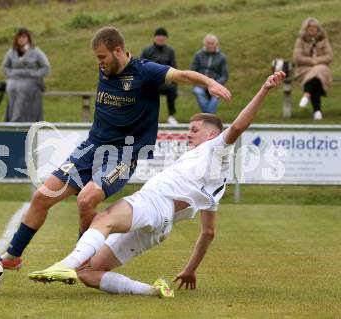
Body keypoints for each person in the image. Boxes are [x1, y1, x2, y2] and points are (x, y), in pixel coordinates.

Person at [28, 72, 286, 298]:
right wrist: (190, 269)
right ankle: (151, 290)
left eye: (194, 129)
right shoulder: (218, 181)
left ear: (212, 134)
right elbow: (208, 233)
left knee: (103, 219)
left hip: (154, 202)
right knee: (90, 273)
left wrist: (264, 89)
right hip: (162, 227)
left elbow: (239, 125)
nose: (189, 134)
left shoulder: (217, 148)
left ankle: (65, 263)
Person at [0, 26, 231, 270]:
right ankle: (13, 256)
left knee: (86, 199)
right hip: (92, 146)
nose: (99, 63)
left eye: (102, 57)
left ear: (118, 51)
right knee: (42, 197)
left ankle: (82, 260)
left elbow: (181, 75)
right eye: (96, 58)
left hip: (123, 154)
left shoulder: (145, 71)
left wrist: (209, 82)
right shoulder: (106, 69)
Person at [2, 28, 51, 122]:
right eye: (19, 37)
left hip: (31, 79)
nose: (22, 39)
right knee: (11, 87)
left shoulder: (36, 51)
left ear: (28, 39)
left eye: (24, 37)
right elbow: (4, 67)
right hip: (15, 79)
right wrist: (11, 74)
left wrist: (36, 74)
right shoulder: (11, 52)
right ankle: (12, 117)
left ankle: (18, 120)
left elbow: (46, 67)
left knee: (22, 89)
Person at [293, 17, 333, 120]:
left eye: (314, 27)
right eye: (310, 26)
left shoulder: (324, 40)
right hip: (304, 69)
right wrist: (312, 62)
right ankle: (317, 111)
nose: (312, 29)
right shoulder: (300, 40)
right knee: (315, 77)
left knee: (318, 72)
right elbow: (297, 58)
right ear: (306, 28)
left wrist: (317, 61)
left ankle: (307, 95)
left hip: (321, 69)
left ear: (318, 28)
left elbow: (329, 57)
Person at [141, 27, 179, 125]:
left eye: (163, 35)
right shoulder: (147, 50)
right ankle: (147, 117)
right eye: (158, 35)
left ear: (166, 38)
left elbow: (174, 67)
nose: (161, 38)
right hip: (150, 82)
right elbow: (141, 66)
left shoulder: (170, 51)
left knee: (172, 88)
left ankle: (171, 116)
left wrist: (173, 82)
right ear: (154, 37)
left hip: (165, 81)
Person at [190, 34, 228, 114]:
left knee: (216, 96)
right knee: (198, 92)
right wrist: (201, 81)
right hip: (200, 83)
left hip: (216, 84)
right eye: (208, 43)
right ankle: (209, 116)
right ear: (205, 44)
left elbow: (225, 76)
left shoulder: (222, 57)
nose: (210, 45)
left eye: (212, 43)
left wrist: (215, 83)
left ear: (216, 44)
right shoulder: (198, 55)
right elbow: (192, 71)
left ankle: (206, 115)